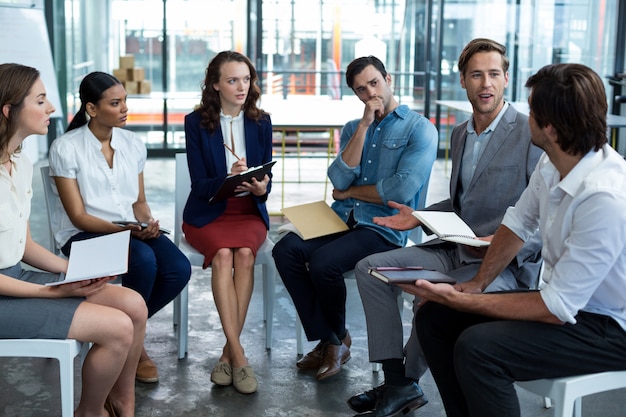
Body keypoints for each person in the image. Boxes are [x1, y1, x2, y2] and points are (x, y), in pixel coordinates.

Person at [410, 62, 626, 417]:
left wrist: (467, 303)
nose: (525, 117)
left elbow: (557, 308)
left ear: (550, 128)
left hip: (609, 327)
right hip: (570, 307)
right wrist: (477, 285)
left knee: (479, 348)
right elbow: (517, 224)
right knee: (435, 317)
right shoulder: (554, 163)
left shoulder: (604, 196)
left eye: (532, 111)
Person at [348, 38, 543, 417]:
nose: (485, 83)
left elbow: (542, 218)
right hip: (454, 248)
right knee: (370, 269)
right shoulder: (459, 133)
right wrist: (418, 216)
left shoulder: (528, 133)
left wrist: (499, 240)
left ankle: (399, 386)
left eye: (494, 74)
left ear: (506, 80)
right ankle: (399, 382)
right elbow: (460, 203)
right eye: (476, 75)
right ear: (463, 82)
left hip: (502, 262)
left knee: (432, 298)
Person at [272, 55, 438, 382]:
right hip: (340, 219)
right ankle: (335, 339)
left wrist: (351, 194)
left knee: (323, 263)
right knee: (285, 250)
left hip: (382, 228)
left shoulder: (420, 129)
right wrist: (363, 126)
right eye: (361, 90)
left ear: (388, 78)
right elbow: (338, 178)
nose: (370, 93)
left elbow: (400, 190)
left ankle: (332, 344)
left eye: (374, 83)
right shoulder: (353, 128)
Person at [0, 63, 147, 417]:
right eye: (41, 100)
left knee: (135, 306)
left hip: (16, 279)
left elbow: (26, 246)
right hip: (6, 294)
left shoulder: (17, 162)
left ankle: (123, 403)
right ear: (9, 111)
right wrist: (52, 290)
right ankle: (91, 412)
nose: (51, 108)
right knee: (116, 327)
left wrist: (75, 271)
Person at [48, 71, 191, 384]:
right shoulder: (66, 147)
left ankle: (123, 333)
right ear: (92, 108)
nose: (125, 108)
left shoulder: (132, 143)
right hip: (83, 236)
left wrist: (147, 221)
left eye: (125, 100)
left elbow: (138, 201)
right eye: (115, 103)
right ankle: (135, 350)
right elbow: (78, 216)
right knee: (142, 259)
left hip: (129, 230)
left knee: (178, 268)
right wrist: (126, 232)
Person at [182, 51, 273, 394]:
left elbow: (267, 177)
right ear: (216, 84)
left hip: (248, 212)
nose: (241, 87)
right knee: (222, 255)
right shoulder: (196, 122)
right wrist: (226, 177)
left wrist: (261, 187)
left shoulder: (261, 121)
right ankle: (239, 357)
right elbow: (199, 185)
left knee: (245, 255)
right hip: (208, 212)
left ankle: (226, 353)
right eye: (233, 80)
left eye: (246, 79)